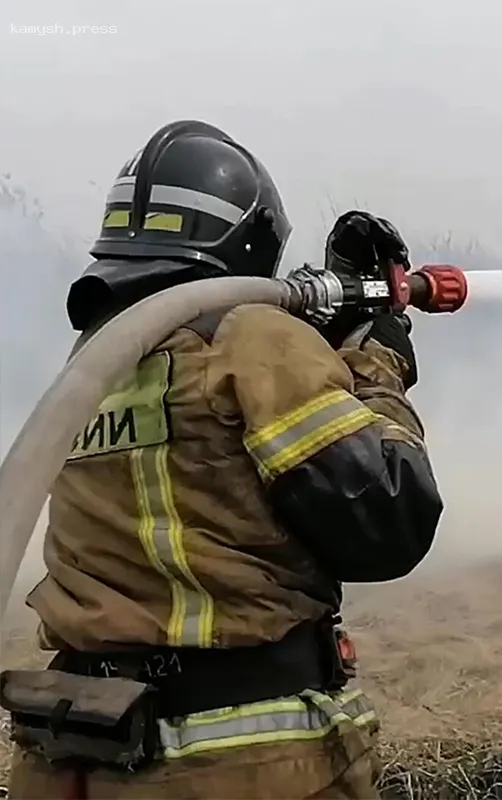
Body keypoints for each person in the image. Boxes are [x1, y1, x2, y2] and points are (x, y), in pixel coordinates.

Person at [2, 120, 444, 799]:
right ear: (250, 240)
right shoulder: (253, 335)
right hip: (237, 769)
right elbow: (388, 519)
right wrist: (375, 361)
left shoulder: (95, 368)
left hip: (73, 763)